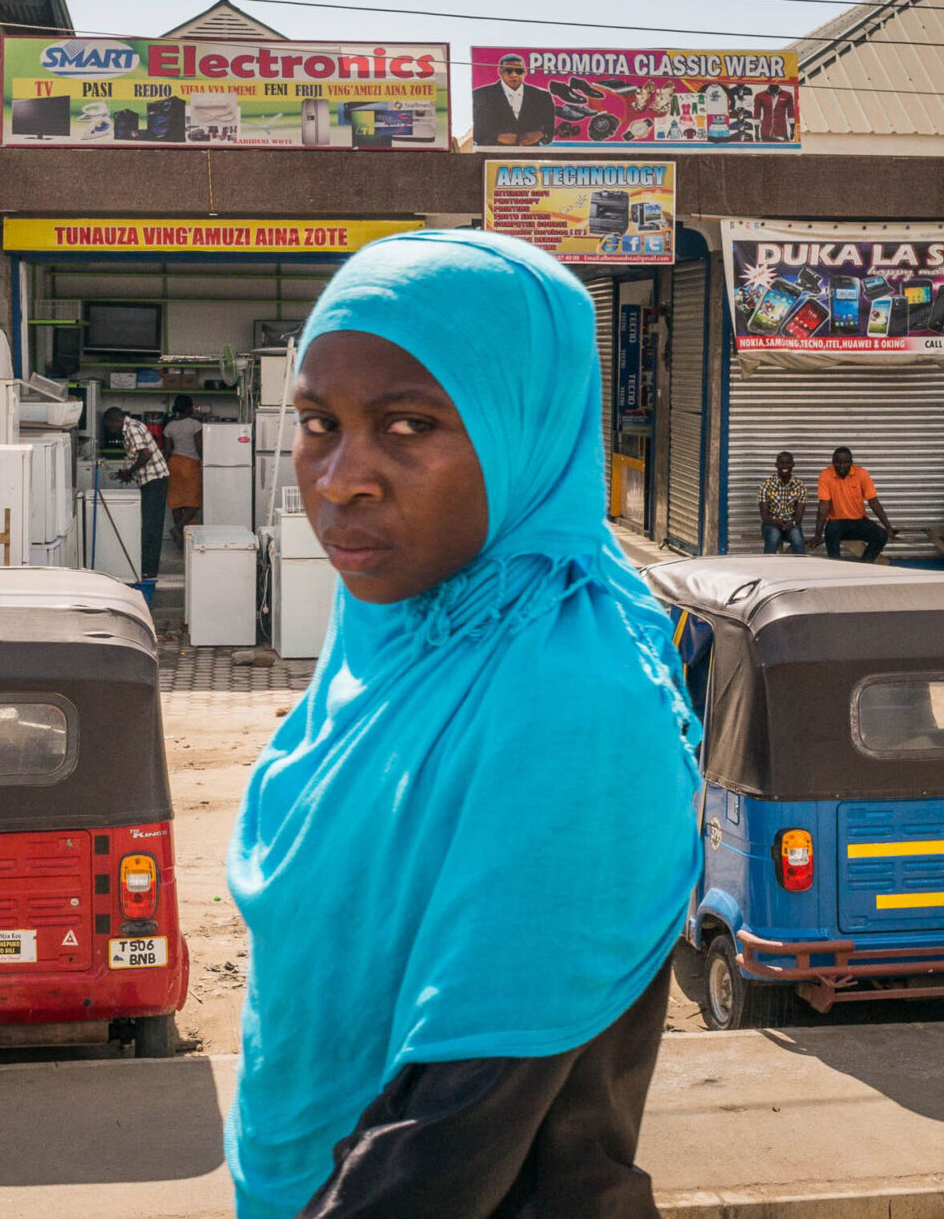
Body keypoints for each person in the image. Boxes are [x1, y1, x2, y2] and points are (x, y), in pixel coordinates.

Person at [227, 230, 700, 1219]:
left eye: (405, 426)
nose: (339, 477)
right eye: (318, 421)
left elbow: (443, 1142)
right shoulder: (394, 639)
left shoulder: (575, 693)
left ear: (521, 428)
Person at [104, 407, 169, 581]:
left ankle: (148, 569)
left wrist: (129, 471)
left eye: (109, 426)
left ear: (114, 420)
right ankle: (148, 568)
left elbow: (145, 455)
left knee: (150, 526)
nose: (111, 429)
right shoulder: (134, 425)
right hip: (154, 479)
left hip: (154, 480)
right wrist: (131, 473)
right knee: (152, 525)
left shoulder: (131, 429)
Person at [810, 446, 894, 562]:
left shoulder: (862, 474)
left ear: (851, 462)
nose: (841, 466)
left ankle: (865, 563)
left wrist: (888, 528)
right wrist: (817, 534)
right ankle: (835, 565)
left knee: (881, 535)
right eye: (838, 462)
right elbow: (823, 506)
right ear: (833, 462)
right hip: (837, 523)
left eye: (845, 462)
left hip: (859, 522)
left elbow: (874, 503)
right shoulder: (825, 475)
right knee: (830, 531)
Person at [471, 53, 556, 147]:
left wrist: (540, 134)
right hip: (493, 157)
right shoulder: (481, 95)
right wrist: (497, 137)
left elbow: (549, 130)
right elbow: (476, 133)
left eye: (518, 71)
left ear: (525, 72)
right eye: (508, 71)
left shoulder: (542, 96)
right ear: (500, 72)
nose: (514, 75)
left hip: (530, 158)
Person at [162, 395, 204, 547]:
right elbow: (199, 447)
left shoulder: (170, 426)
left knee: (177, 503)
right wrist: (205, 462)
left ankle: (181, 540)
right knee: (194, 503)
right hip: (190, 465)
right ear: (189, 408)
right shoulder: (195, 425)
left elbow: (167, 450)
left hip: (174, 464)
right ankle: (178, 529)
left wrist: (163, 466)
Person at [757, 451, 808, 554]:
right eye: (781, 463)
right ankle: (767, 566)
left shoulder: (800, 486)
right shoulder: (766, 486)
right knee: (774, 535)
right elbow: (765, 517)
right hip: (771, 524)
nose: (785, 466)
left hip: (791, 524)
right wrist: (776, 522)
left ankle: (801, 567)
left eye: (788, 463)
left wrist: (792, 523)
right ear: (776, 465)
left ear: (793, 465)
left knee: (797, 538)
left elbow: (799, 516)